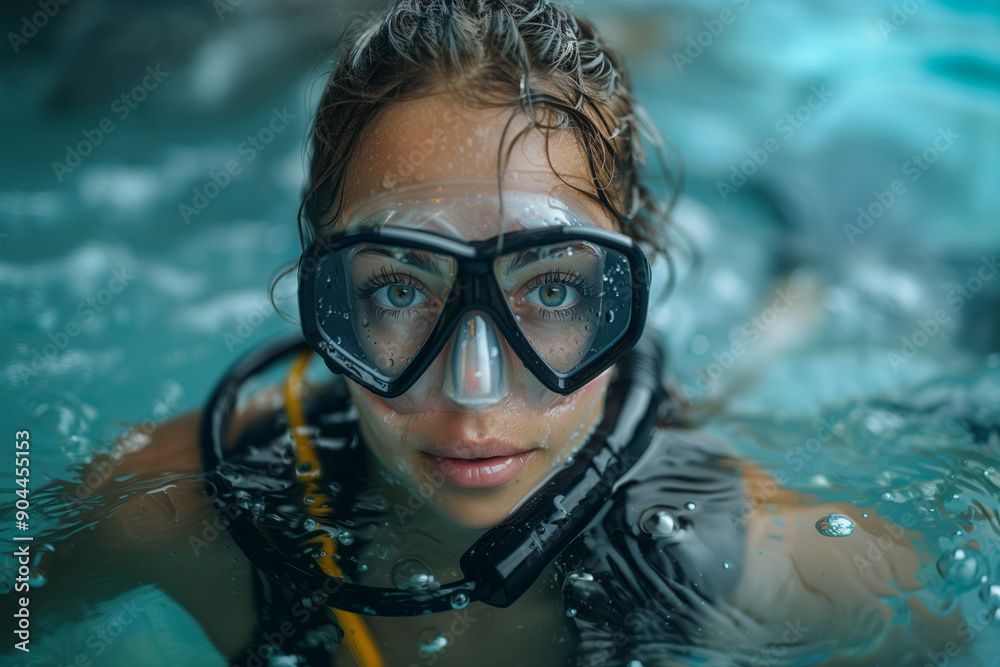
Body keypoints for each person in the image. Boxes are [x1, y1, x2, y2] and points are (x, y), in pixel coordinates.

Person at [6, 1, 972, 666]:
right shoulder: (172, 514)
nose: (474, 392)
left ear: (630, 293)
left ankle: (814, 264)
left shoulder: (774, 557)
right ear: (319, 292)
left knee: (778, 340)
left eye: (552, 290)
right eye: (396, 290)